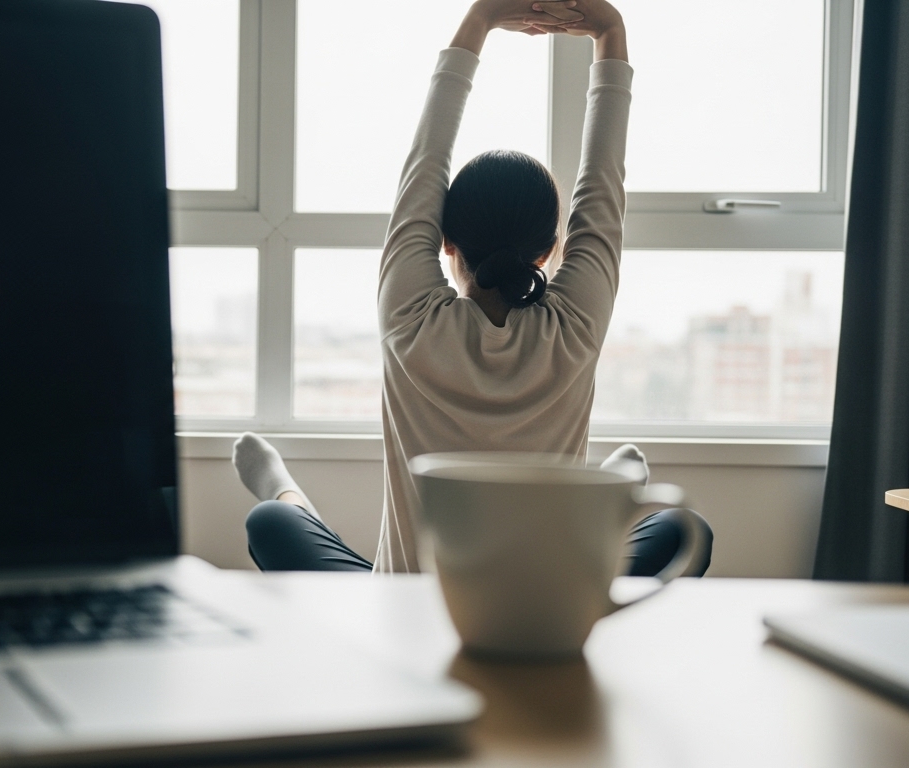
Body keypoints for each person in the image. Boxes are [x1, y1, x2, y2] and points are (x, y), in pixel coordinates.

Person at [234, 0, 713, 575]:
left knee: (272, 522)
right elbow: (602, 185)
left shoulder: (411, 319)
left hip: (397, 609)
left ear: (443, 241)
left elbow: (424, 163)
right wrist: (609, 32)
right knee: (686, 531)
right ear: (551, 249)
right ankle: (606, 501)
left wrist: (481, 19)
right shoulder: (574, 329)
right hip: (540, 615)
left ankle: (285, 490)